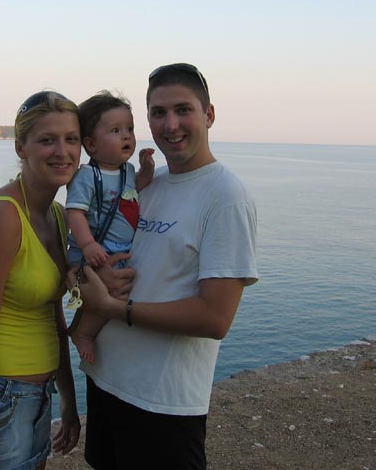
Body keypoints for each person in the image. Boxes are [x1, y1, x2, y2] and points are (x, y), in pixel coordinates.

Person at [72, 63, 259, 470]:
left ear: (209, 114)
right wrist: (91, 276)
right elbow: (103, 253)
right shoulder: (146, 186)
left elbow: (215, 318)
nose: (170, 124)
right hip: (105, 380)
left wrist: (114, 308)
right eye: (158, 113)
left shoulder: (226, 196)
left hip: (162, 403)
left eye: (182, 110)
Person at [0, 91, 82, 470]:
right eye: (47, 140)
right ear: (21, 147)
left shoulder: (57, 215)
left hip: (37, 395)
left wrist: (69, 400)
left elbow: (54, 319)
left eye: (71, 139)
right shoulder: (3, 218)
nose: (62, 151)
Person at [65, 91, 155, 364]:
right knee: (112, 293)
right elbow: (75, 212)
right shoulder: (87, 176)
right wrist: (88, 245)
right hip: (95, 251)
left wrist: (146, 170)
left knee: (118, 290)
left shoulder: (127, 170)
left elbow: (133, 191)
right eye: (116, 130)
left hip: (116, 249)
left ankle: (86, 328)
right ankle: (83, 332)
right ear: (91, 144)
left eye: (130, 129)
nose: (126, 136)